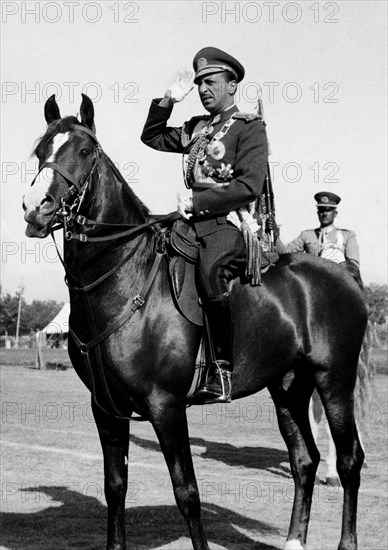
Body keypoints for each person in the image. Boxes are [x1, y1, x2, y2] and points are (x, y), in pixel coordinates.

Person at [141, 47, 268, 403]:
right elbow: (151, 137)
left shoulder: (248, 127)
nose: (204, 89)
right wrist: (167, 100)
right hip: (189, 223)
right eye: (199, 84)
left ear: (232, 86)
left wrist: (199, 201)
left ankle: (222, 372)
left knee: (212, 271)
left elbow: (249, 185)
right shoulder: (196, 127)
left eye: (211, 82)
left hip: (225, 224)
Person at [280, 191, 362, 283]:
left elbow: (353, 266)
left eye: (328, 210)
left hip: (339, 283)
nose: (325, 213)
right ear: (318, 213)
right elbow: (285, 253)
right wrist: (275, 237)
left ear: (335, 213)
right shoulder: (307, 235)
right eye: (322, 210)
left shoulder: (347, 236)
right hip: (313, 284)